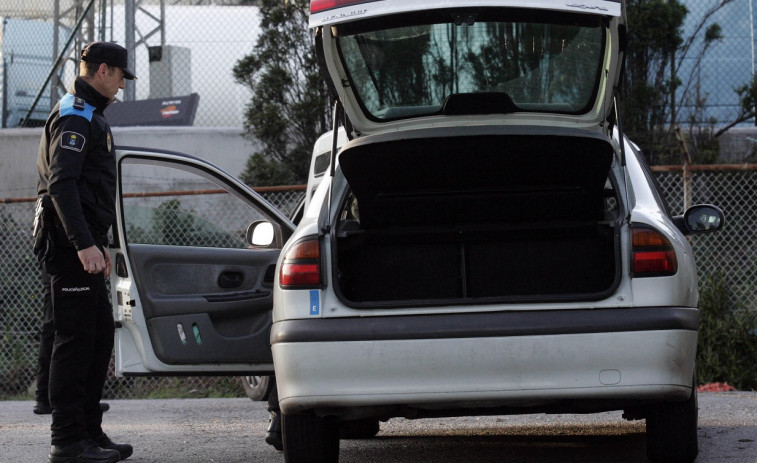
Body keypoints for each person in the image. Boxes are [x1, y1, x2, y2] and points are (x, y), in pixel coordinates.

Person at [35, 41, 136, 463]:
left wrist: (98, 243)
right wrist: (84, 245)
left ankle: (90, 433)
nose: (121, 87)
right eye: (120, 78)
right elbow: (62, 184)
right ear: (104, 71)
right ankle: (68, 442)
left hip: (83, 247)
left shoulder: (89, 113)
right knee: (75, 341)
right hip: (69, 248)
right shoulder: (77, 116)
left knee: (95, 339)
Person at [33, 271, 110, 416]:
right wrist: (84, 246)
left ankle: (45, 397)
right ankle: (75, 402)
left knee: (54, 324)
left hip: (57, 257)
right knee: (75, 327)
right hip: (71, 259)